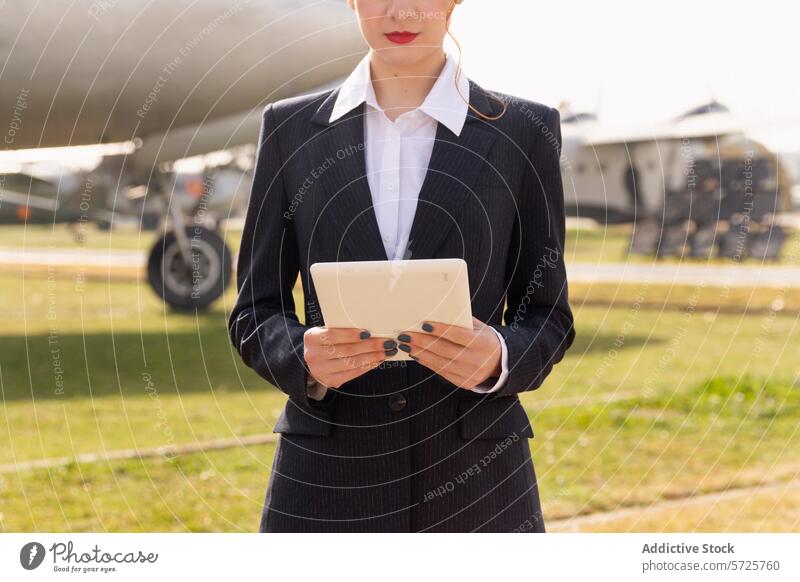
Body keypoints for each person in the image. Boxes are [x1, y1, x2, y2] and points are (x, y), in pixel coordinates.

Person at [228, 0, 575, 532]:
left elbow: (549, 313)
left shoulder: (524, 131)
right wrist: (300, 356)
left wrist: (499, 357)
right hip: (325, 479)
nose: (401, 11)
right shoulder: (289, 129)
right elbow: (254, 310)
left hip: (477, 478)